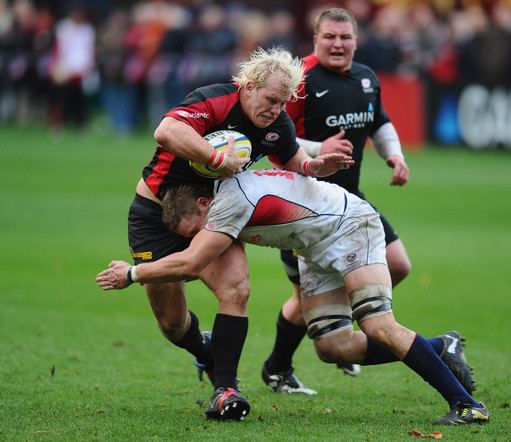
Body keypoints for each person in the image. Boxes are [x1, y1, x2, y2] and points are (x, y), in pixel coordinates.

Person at [96, 169, 490, 425]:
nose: (197, 236)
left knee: (378, 325)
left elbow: (191, 263)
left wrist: (132, 273)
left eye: (193, 228)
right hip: (316, 248)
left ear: (204, 204)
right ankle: (442, 346)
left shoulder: (229, 202)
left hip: (351, 227)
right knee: (333, 347)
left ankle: (466, 405)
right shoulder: (224, 195)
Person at [122, 47, 349, 421]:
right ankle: (206, 349)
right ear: (248, 86)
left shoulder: (276, 124)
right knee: (172, 324)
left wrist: (313, 165)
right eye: (271, 100)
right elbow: (166, 131)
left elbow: (291, 160)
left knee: (236, 289)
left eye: (283, 103)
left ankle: (225, 389)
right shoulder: (214, 100)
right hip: (156, 214)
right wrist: (216, 159)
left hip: (215, 214)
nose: (276, 110)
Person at [261, 7, 421, 394]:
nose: (337, 43)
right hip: (305, 206)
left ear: (356, 40)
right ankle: (279, 367)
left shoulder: (366, 78)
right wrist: (319, 147)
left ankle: (338, 332)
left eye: (345, 37)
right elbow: (271, 138)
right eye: (329, 37)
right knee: (304, 300)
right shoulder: (298, 82)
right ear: (315, 40)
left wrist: (394, 155)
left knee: (397, 264)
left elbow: (379, 120)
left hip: (353, 201)